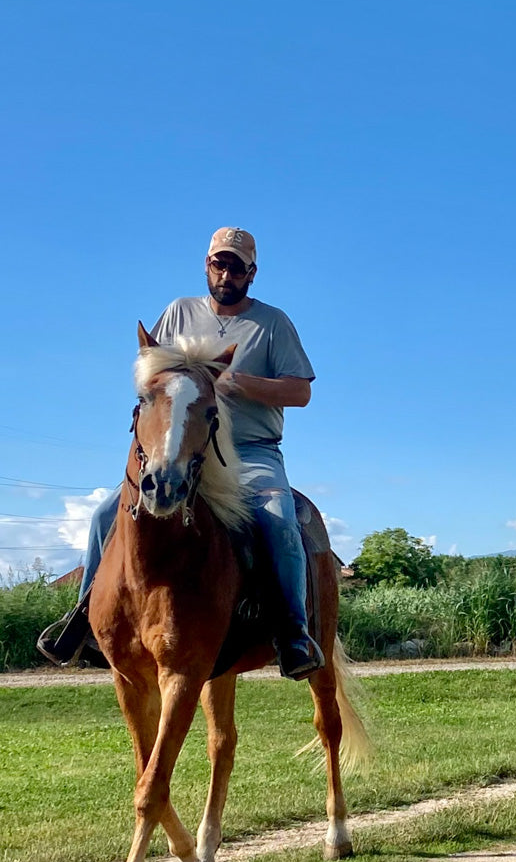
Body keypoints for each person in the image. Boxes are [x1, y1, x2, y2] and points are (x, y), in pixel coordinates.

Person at [38, 227, 326, 680]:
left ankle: (293, 632)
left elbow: (301, 392)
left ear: (252, 273)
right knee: (103, 515)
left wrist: (239, 383)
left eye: (236, 266)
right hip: (180, 448)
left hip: (249, 452)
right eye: (218, 263)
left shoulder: (272, 324)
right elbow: (150, 372)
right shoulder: (177, 313)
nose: (226, 273)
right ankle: (83, 621)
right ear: (206, 265)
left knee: (278, 516)